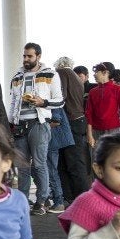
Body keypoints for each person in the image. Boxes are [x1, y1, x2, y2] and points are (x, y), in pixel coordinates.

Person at [7, 42, 64, 215]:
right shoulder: (17, 77)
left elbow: (60, 100)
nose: (26, 59)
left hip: (39, 123)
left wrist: (43, 102)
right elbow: (13, 103)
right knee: (22, 166)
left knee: (39, 165)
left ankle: (41, 201)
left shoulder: (50, 74)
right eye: (24, 56)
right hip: (19, 125)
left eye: (29, 56)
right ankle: (23, 202)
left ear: (38, 56)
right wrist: (11, 123)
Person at [54, 57, 90, 205]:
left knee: (69, 162)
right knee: (75, 160)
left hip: (70, 121)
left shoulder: (62, 73)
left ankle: (77, 197)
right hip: (79, 120)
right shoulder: (76, 78)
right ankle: (78, 196)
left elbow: (60, 97)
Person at [85, 62, 120, 149]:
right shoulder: (92, 92)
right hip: (96, 131)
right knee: (98, 159)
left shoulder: (118, 89)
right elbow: (89, 114)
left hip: (114, 130)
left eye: (96, 72)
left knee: (114, 158)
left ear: (105, 72)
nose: (94, 75)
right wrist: (89, 134)